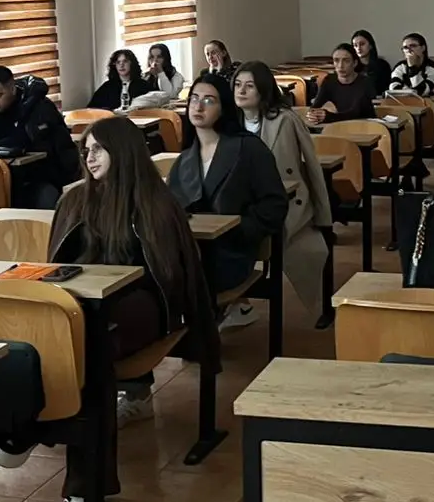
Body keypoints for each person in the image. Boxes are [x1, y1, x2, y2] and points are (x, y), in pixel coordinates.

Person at [0, 117, 220, 502]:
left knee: (89, 354)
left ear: (123, 151)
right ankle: (25, 428)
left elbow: (170, 278)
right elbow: (54, 262)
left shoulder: (155, 203)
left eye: (98, 149)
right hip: (82, 308)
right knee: (38, 339)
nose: (89, 157)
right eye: (86, 150)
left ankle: (76, 480)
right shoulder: (76, 199)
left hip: (142, 309)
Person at [167, 73, 288, 326]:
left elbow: (275, 205)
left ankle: (200, 335)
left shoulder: (248, 148)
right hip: (191, 252)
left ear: (223, 107)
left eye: (209, 101)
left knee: (184, 277)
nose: (199, 107)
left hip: (231, 252)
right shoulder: (184, 159)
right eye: (194, 99)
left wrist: (235, 228)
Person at [233, 61, 334, 322]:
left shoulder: (285, 119)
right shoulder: (229, 123)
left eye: (249, 86)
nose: (241, 91)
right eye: (238, 85)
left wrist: (323, 216)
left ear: (263, 89)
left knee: (307, 252)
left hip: (286, 203)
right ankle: (235, 303)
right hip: (243, 204)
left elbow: (311, 166)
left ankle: (322, 306)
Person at [0, 66, 78, 209]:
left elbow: (22, 142)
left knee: (46, 200)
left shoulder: (38, 106)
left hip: (38, 177)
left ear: (12, 89)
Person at [309, 43, 376, 126]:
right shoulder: (329, 80)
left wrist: (328, 116)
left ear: (355, 63)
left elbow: (354, 114)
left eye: (346, 61)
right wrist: (314, 115)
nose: (340, 66)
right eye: (336, 60)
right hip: (340, 126)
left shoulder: (365, 82)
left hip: (365, 127)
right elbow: (314, 107)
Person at [129, 42, 184, 108]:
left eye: (159, 57)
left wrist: (161, 73)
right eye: (152, 57)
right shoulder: (145, 75)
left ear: (166, 59)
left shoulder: (176, 76)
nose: (155, 60)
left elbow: (170, 95)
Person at [388, 32, 434, 96]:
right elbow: (393, 89)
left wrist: (412, 67)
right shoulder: (400, 66)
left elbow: (421, 92)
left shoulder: (433, 67)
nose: (409, 50)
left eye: (413, 46)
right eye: (405, 47)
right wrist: (411, 92)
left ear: (423, 48)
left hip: (427, 101)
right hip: (403, 100)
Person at [349, 29, 391, 98]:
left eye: (362, 44)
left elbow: (386, 90)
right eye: (355, 45)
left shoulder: (382, 65)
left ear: (370, 45)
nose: (358, 48)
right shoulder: (351, 66)